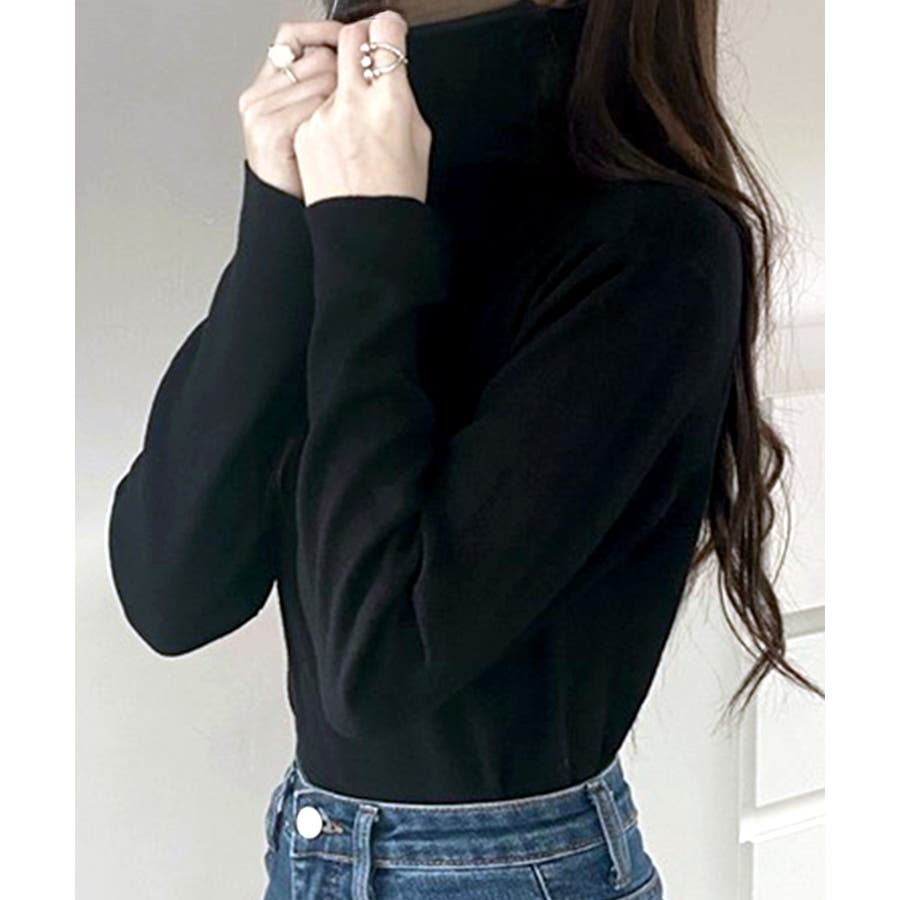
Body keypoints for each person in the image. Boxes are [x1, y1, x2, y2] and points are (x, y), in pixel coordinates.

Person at [107, 1, 823, 897]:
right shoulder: (368, 188)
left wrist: (366, 232)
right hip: (312, 846)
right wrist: (280, 214)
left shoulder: (654, 243)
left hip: (511, 871)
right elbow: (171, 592)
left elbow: (376, 665)